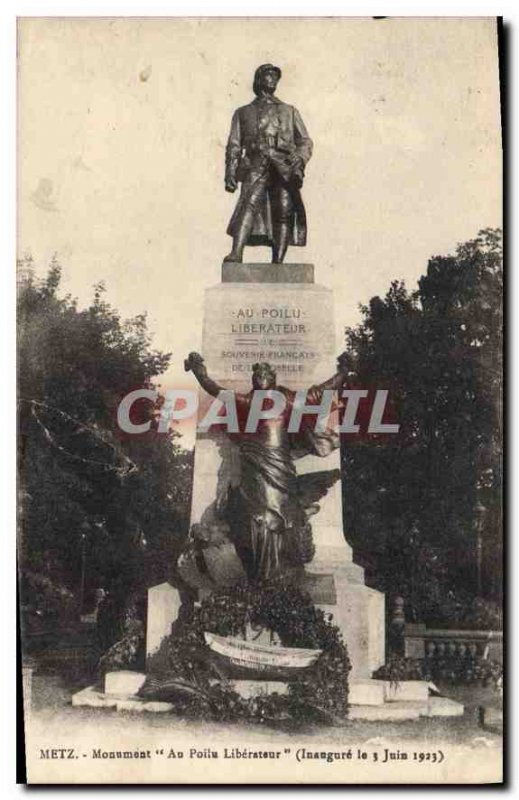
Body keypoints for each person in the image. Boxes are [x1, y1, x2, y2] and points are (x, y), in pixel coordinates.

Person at [185, 352, 345, 581]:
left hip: (280, 466)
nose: (261, 377)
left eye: (265, 374)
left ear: (273, 378)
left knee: (281, 513)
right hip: (254, 466)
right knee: (258, 515)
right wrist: (199, 372)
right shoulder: (248, 401)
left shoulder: (287, 400)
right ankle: (263, 572)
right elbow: (216, 390)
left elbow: (319, 392)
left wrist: (343, 373)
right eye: (257, 374)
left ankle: (279, 570)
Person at [224, 64, 313, 265]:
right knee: (248, 205)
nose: (272, 79)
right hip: (255, 163)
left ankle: (278, 261)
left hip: (283, 165)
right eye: (268, 75)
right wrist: (230, 174)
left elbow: (305, 141)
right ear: (259, 80)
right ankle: (236, 253)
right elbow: (234, 145)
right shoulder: (243, 112)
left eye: (275, 76)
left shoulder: (289, 111)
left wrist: (299, 157)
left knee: (284, 210)